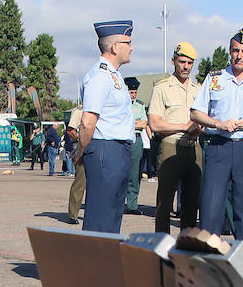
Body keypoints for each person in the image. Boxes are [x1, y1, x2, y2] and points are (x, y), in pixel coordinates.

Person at [191, 27, 243, 245]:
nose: (240, 55)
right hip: (218, 145)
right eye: (236, 50)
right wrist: (218, 123)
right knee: (211, 206)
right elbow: (196, 112)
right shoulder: (214, 79)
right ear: (230, 51)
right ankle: (207, 254)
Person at [78, 20, 136, 233]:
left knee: (112, 215)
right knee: (100, 217)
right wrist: (80, 150)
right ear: (114, 46)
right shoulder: (100, 76)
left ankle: (107, 263)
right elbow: (87, 121)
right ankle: (93, 265)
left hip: (117, 150)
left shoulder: (113, 75)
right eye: (128, 42)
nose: (132, 47)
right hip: (105, 150)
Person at [147, 41, 201, 234]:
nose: (186, 67)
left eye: (190, 63)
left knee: (191, 202)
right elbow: (155, 123)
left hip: (194, 147)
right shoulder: (162, 87)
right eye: (182, 62)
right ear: (174, 61)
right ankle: (162, 242)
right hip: (170, 145)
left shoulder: (198, 89)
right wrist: (183, 127)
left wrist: (198, 128)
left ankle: (187, 244)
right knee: (165, 202)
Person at [124, 76, 146, 214]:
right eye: (130, 92)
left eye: (134, 93)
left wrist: (130, 124)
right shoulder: (121, 105)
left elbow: (144, 123)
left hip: (136, 141)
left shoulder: (140, 105)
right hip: (123, 140)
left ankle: (132, 205)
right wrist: (135, 123)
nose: (133, 95)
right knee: (120, 173)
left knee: (134, 174)